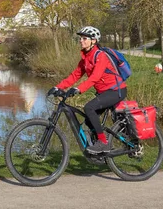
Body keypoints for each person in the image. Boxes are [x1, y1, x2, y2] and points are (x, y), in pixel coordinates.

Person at [47, 26, 127, 154]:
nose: (81, 41)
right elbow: (75, 75)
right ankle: (100, 150)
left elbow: (95, 77)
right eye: (80, 38)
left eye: (85, 38)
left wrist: (78, 89)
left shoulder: (101, 56)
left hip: (116, 90)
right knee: (89, 121)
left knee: (89, 108)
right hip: (104, 92)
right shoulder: (85, 58)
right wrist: (58, 87)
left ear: (93, 41)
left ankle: (103, 143)